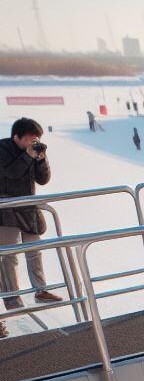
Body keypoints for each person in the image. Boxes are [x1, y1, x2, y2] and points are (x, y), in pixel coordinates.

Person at [0, 118, 62, 336]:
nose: (35, 141)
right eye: (31, 137)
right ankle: (11, 296)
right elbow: (10, 173)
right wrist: (28, 156)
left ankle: (40, 290)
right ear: (17, 136)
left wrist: (41, 159)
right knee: (9, 256)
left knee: (34, 251)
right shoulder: (3, 149)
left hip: (28, 207)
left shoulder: (33, 151)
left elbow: (43, 179)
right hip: (6, 210)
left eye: (38, 138)